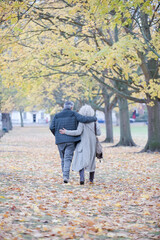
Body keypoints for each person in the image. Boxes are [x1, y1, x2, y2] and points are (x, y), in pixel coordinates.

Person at [49, 101, 97, 183]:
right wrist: (94, 118)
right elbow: (84, 119)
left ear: (64, 107)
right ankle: (66, 177)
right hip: (70, 140)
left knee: (63, 159)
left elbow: (51, 127)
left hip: (60, 141)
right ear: (71, 107)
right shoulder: (74, 113)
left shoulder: (56, 115)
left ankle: (65, 175)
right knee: (68, 158)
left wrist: (57, 135)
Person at [59, 104, 101, 185]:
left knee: (81, 160)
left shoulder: (82, 122)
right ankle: (91, 180)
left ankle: (82, 179)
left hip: (82, 143)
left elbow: (78, 132)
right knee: (92, 161)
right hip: (92, 144)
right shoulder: (95, 121)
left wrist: (66, 132)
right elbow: (98, 133)